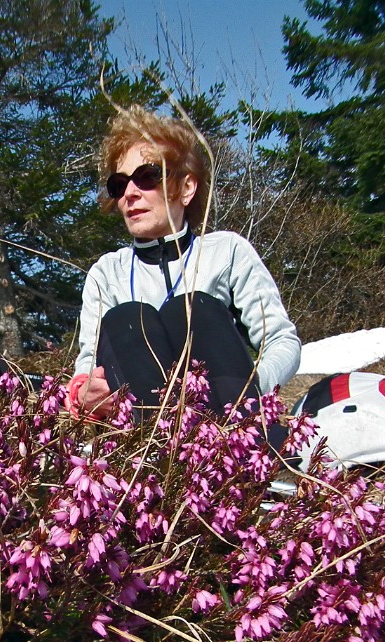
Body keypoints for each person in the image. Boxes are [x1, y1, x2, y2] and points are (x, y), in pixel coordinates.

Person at [67, 107, 301, 423]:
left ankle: (242, 451)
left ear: (186, 187)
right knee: (129, 318)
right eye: (119, 184)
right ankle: (159, 458)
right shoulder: (106, 274)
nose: (130, 194)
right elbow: (89, 363)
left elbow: (281, 340)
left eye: (147, 177)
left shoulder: (227, 252)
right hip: (144, 438)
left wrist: (251, 388)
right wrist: (84, 391)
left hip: (228, 424)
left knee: (191, 310)